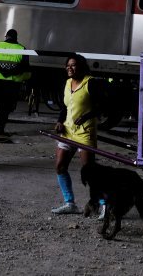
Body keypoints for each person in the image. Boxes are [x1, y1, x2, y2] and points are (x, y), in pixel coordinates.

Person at [51, 54, 107, 217]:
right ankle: (70, 203)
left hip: (84, 133)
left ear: (81, 67)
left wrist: (86, 117)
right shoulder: (68, 83)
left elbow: (102, 106)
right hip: (67, 132)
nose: (69, 68)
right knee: (60, 166)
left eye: (73, 65)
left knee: (89, 172)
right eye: (68, 65)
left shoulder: (91, 83)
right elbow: (65, 106)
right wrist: (60, 121)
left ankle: (104, 205)